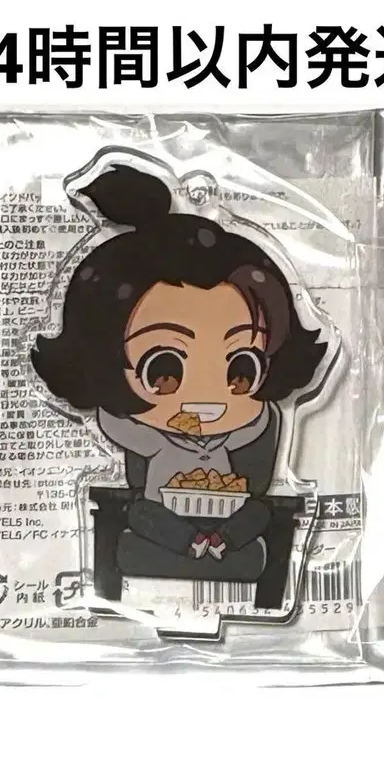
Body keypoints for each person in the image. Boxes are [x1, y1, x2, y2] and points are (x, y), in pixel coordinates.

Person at [32, 165, 327, 581]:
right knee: (141, 513)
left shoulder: (245, 431)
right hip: (161, 515)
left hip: (229, 512)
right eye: (164, 370)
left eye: (240, 370)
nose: (205, 394)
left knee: (257, 513)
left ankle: (219, 546)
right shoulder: (151, 438)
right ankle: (189, 546)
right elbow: (114, 420)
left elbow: (260, 422)